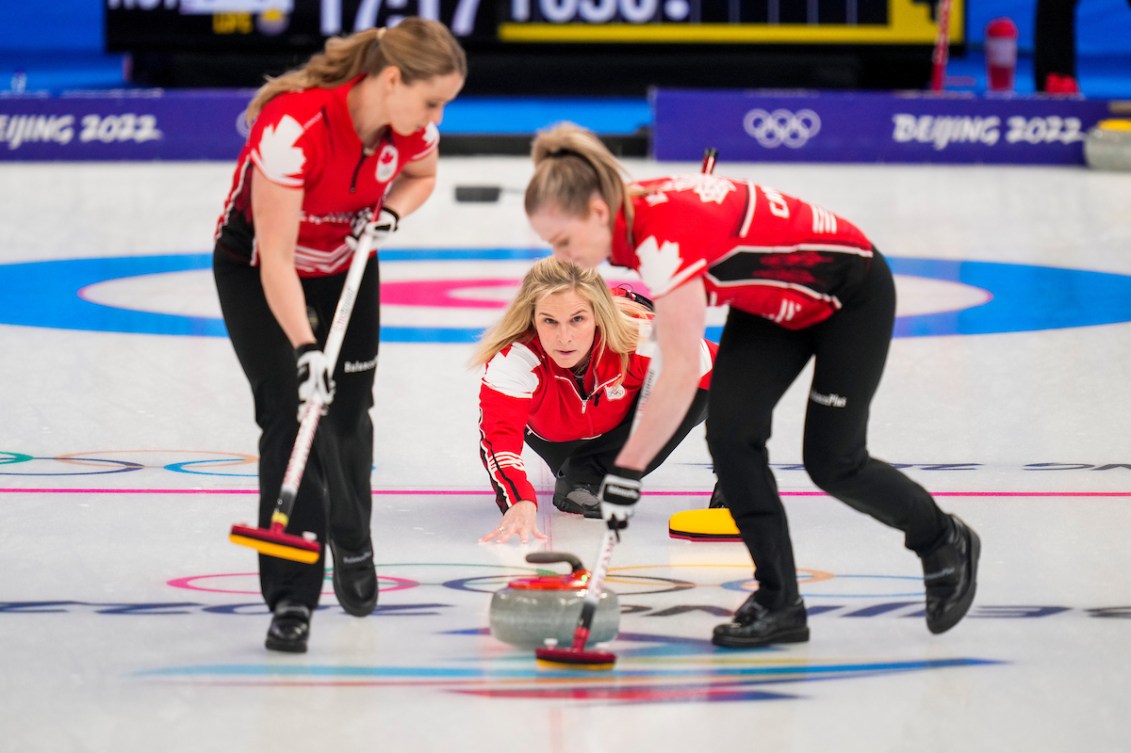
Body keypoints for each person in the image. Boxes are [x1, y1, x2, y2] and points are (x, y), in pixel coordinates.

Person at [521, 122, 980, 647]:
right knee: (732, 437)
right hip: (772, 301)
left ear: (597, 212)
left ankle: (943, 538)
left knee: (834, 461)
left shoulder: (661, 236)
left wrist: (626, 469)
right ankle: (779, 600)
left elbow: (679, 370)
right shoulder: (631, 215)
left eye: (562, 240)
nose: (562, 255)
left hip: (849, 294)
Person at [212, 18, 466, 653]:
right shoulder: (293, 129)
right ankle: (292, 598)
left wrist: (389, 214)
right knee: (290, 414)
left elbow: (422, 178)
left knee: (348, 417)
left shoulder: (409, 133)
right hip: (259, 269)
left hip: (346, 262)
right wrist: (304, 349)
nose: (436, 116)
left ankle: (353, 538)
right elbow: (275, 259)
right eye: (431, 100)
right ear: (389, 79)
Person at [474, 257, 719, 545]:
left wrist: (736, 476)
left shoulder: (640, 338)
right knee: (578, 481)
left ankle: (589, 473)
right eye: (549, 321)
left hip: (625, 423)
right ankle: (581, 475)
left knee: (705, 387)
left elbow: (730, 381)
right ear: (531, 319)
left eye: (577, 319)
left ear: (598, 315)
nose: (564, 338)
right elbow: (498, 440)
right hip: (559, 440)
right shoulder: (516, 359)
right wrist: (519, 500)